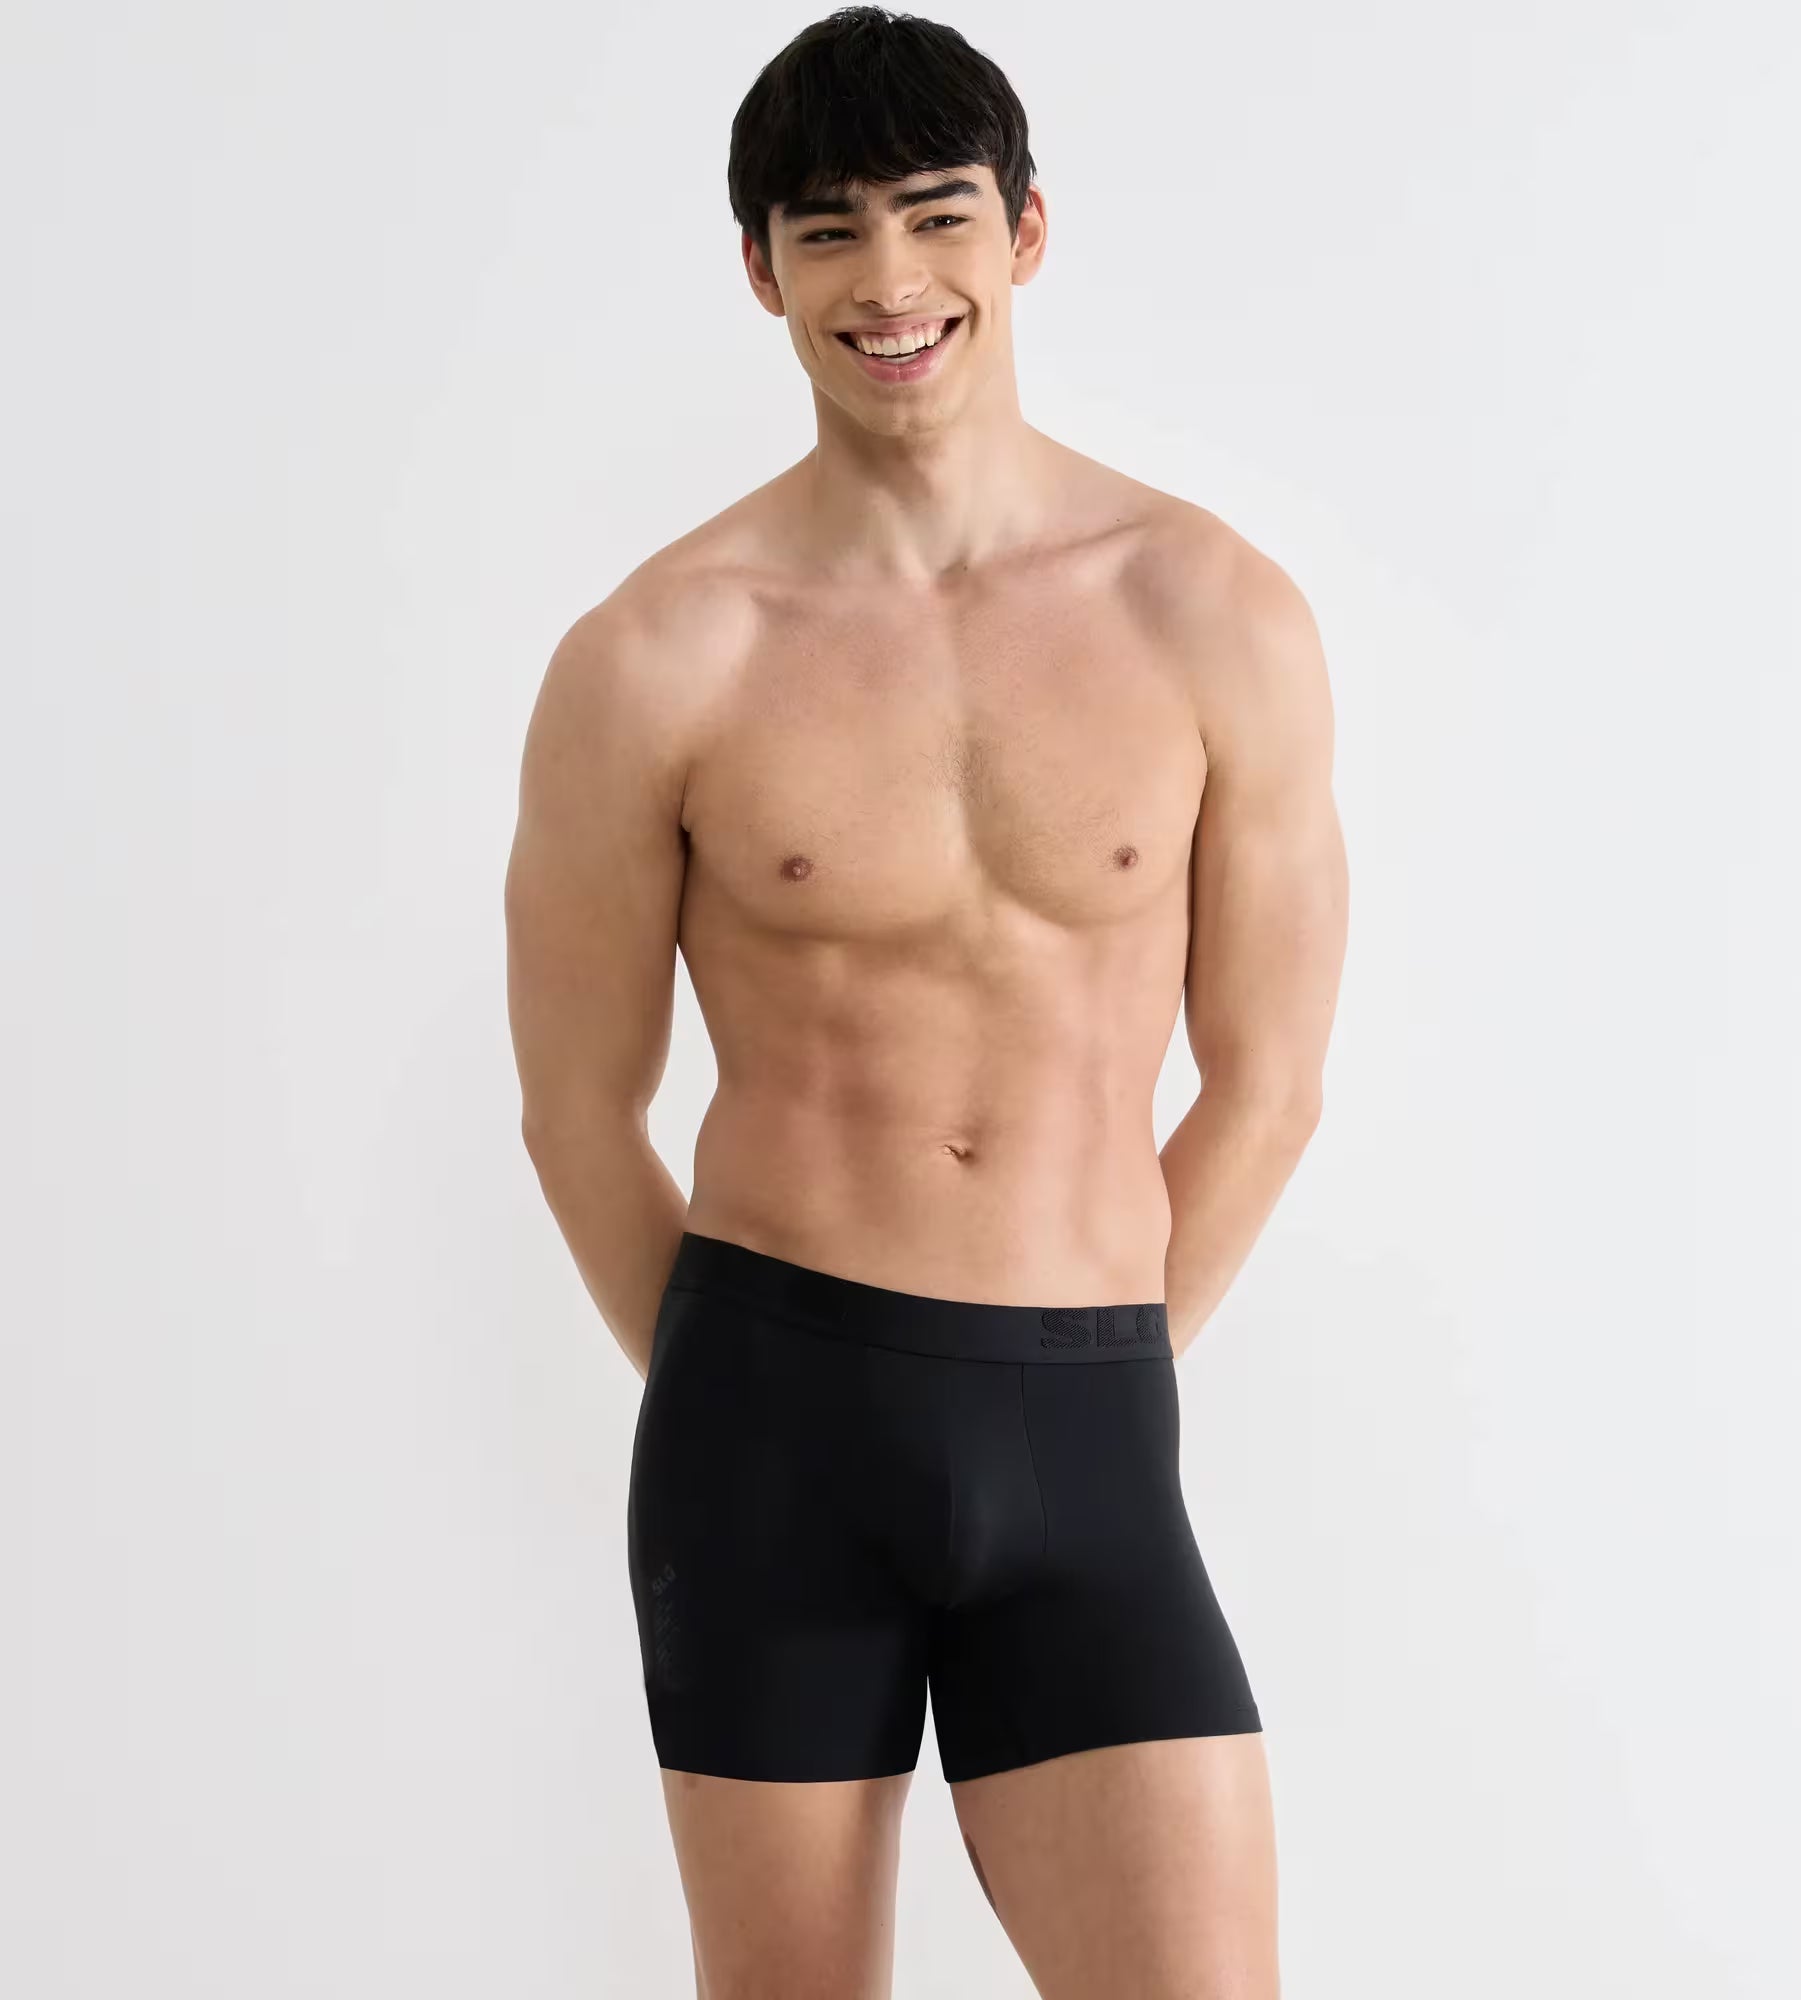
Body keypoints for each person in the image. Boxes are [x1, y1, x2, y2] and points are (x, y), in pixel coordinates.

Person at [504, 8, 1348, 1995]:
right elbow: (575, 1107)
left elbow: (1270, 1078)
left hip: (1085, 1423)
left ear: (1024, 232)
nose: (888, 281)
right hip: (765, 1430)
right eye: (827, 231)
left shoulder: (1210, 610)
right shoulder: (655, 657)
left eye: (934, 216)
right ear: (760, 271)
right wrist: (750, 1387)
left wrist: (1090, 1363)